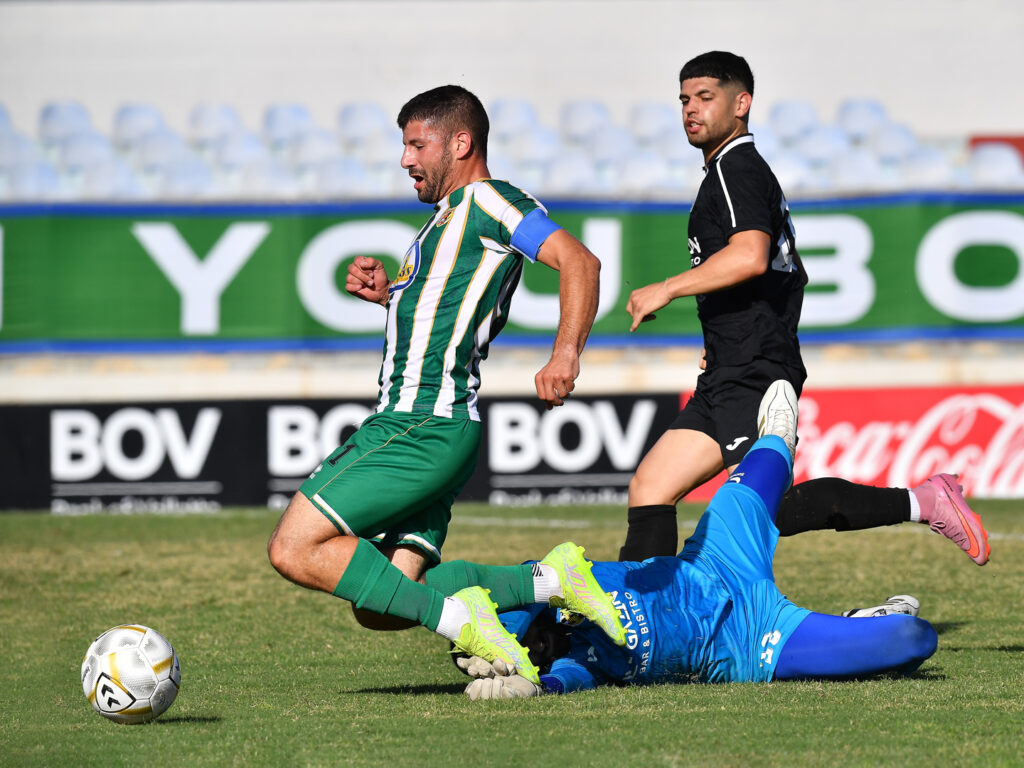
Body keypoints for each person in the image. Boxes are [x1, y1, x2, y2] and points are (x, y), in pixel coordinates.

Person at [267, 85, 623, 675]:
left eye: (416, 145)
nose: (405, 159)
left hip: (417, 423)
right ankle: (550, 580)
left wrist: (566, 354)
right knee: (382, 604)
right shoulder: (443, 223)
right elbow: (446, 314)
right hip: (443, 427)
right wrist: (390, 297)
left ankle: (466, 626)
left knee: (292, 547)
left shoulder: (488, 200)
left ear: (460, 143)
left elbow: (579, 261)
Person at [618, 51, 990, 567]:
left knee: (767, 509)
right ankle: (641, 611)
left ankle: (924, 501)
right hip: (732, 363)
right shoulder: (730, 172)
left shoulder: (736, 169)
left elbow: (750, 256)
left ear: (741, 104)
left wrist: (667, 288)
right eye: (684, 100)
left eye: (705, 97)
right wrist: (722, 334)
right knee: (651, 486)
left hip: (753, 368)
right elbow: (788, 272)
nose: (690, 109)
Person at [454, 381, 939, 699]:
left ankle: (778, 440)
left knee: (775, 440)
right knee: (912, 639)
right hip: (747, 641)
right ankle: (858, 624)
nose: (535, 650)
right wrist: (526, 686)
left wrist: (494, 638)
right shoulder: (579, 662)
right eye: (530, 655)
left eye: (523, 643)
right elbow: (561, 682)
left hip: (716, 558)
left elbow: (522, 582)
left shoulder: (558, 582)